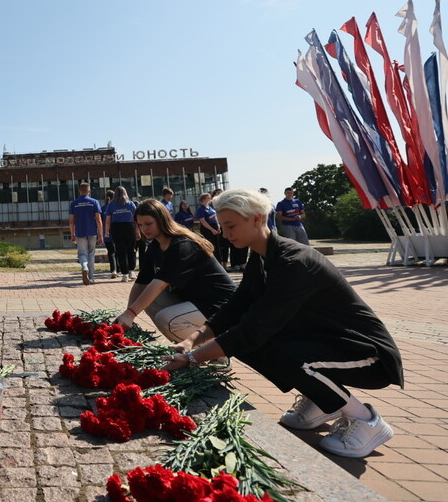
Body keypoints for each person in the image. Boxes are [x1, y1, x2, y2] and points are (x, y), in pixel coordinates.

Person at [164, 188, 403, 459]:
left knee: (279, 352)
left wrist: (194, 358)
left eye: (231, 225)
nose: (226, 233)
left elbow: (253, 329)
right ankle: (323, 401)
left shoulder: (294, 263)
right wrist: (191, 340)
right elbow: (236, 308)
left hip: (368, 356)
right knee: (252, 346)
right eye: (223, 226)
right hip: (328, 343)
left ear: (256, 219)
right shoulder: (262, 257)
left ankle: (366, 420)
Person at [113, 199, 237, 343]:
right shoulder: (155, 246)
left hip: (221, 304)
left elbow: (159, 284)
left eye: (148, 223)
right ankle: (191, 346)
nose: (144, 229)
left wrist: (131, 313)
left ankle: (217, 351)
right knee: (149, 300)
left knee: (167, 319)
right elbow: (141, 283)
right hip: (197, 301)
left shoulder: (181, 245)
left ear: (162, 220)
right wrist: (128, 316)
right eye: (140, 225)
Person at [69, 182, 104, 285]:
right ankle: (92, 277)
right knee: (91, 253)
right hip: (92, 232)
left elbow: (71, 221)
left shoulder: (74, 203)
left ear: (79, 191)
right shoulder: (94, 202)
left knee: (82, 253)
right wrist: (100, 234)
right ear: (89, 191)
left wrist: (72, 234)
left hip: (80, 232)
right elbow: (98, 220)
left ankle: (84, 267)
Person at [103, 187, 139, 282]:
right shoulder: (130, 204)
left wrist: (106, 231)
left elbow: (107, 221)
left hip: (116, 228)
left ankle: (124, 274)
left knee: (120, 251)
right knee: (131, 250)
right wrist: (138, 231)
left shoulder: (111, 205)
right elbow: (136, 219)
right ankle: (131, 271)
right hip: (129, 227)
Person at [195, 193, 223, 264]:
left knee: (217, 246)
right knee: (210, 245)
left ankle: (219, 262)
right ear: (203, 199)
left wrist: (218, 226)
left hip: (215, 227)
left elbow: (215, 217)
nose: (210, 199)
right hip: (207, 229)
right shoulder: (201, 209)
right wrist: (212, 229)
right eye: (208, 198)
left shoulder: (211, 208)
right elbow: (203, 221)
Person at [101, 193, 117, 278]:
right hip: (116, 232)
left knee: (111, 252)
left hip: (106, 233)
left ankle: (113, 270)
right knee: (118, 251)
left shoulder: (102, 208)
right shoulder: (115, 207)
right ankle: (119, 269)